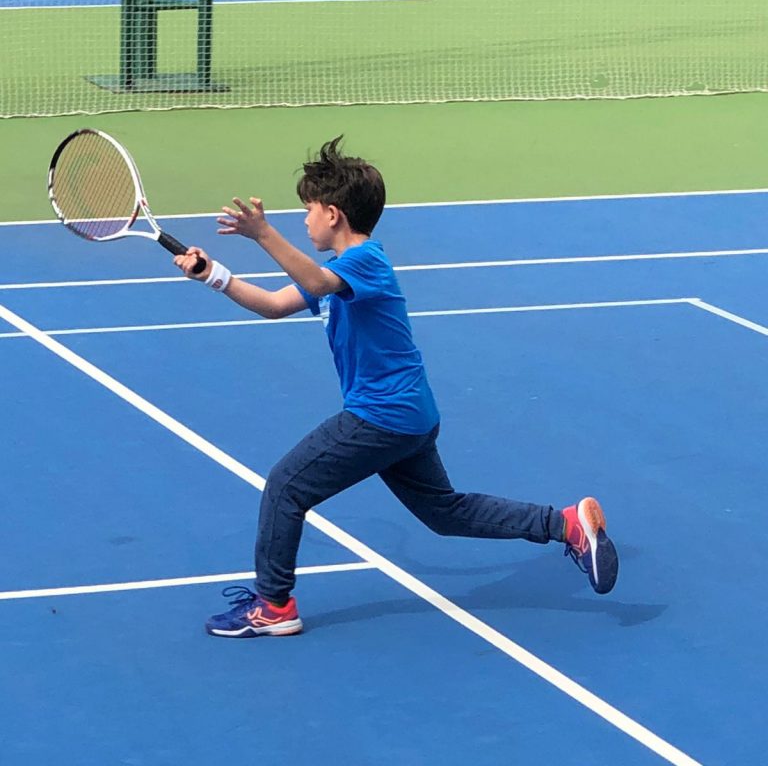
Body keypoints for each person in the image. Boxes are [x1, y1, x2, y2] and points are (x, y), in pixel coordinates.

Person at [174, 137, 619, 638]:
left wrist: (263, 234)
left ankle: (274, 606)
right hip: (409, 416)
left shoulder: (364, 262)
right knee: (444, 512)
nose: (305, 220)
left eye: (308, 210)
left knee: (285, 487)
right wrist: (212, 274)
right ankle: (565, 524)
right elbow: (275, 305)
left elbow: (315, 284)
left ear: (333, 214)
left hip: (380, 416)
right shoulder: (341, 270)